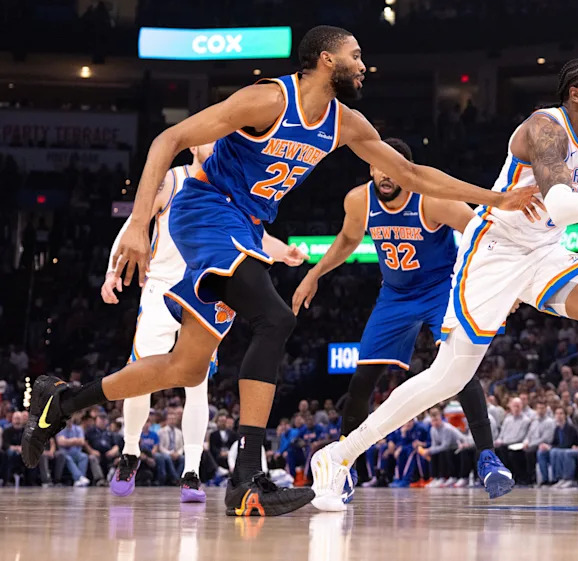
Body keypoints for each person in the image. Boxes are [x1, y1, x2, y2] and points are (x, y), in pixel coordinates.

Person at [20, 25, 535, 517]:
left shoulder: (347, 124)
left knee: (187, 367)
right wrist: (136, 225)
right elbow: (167, 140)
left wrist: (497, 199)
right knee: (275, 317)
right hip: (205, 209)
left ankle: (60, 402)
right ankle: (246, 479)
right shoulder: (268, 100)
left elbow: (413, 174)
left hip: (243, 226)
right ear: (327, 59)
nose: (364, 65)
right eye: (355, 55)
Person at [311, 58, 578, 509]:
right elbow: (559, 206)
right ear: (575, 93)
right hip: (494, 250)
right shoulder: (544, 129)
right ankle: (338, 455)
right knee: (447, 377)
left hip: (543, 252)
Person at [293, 137, 526, 499]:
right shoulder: (359, 200)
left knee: (459, 368)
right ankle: (343, 466)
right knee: (362, 379)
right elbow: (346, 240)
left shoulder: (432, 199)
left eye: (392, 167)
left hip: (441, 288)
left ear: (407, 169)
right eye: (377, 165)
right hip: (396, 294)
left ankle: (487, 457)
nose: (384, 174)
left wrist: (501, 286)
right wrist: (313, 274)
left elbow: (482, 235)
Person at [101, 142, 303, 503]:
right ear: (194, 143)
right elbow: (137, 221)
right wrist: (112, 271)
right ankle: (130, 450)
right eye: (211, 137)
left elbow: (258, 235)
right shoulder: (172, 180)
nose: (217, 142)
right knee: (141, 376)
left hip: (206, 287)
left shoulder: (233, 183)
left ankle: (192, 471)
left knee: (198, 385)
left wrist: (284, 250)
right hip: (162, 288)